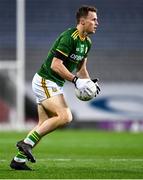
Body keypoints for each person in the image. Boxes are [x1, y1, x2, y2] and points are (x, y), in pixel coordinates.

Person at [10, 5, 100, 170]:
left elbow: (81, 69)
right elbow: (55, 65)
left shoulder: (87, 42)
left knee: (44, 124)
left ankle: (18, 160)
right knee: (65, 117)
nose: (97, 22)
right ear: (82, 21)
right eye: (93, 19)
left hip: (54, 83)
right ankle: (25, 143)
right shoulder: (69, 37)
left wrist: (88, 83)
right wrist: (75, 80)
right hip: (45, 80)